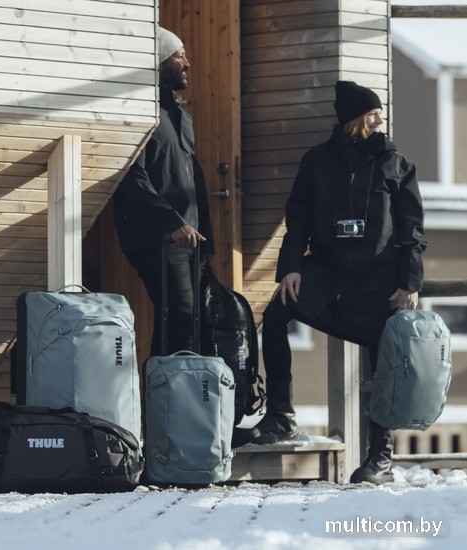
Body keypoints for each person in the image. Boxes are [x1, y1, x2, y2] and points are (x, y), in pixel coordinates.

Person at [250, 81, 427, 484]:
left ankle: (380, 457)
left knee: (383, 354)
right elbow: (298, 219)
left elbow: (412, 229)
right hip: (326, 271)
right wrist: (290, 267)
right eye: (372, 113)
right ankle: (280, 415)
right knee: (275, 315)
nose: (380, 120)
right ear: (353, 118)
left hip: (378, 278)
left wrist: (410, 280)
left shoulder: (396, 163)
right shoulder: (316, 161)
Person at [113, 27, 215, 356]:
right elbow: (131, 177)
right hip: (156, 235)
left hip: (188, 236)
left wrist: (207, 241)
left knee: (186, 320)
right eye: (179, 55)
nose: (187, 63)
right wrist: (172, 223)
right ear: (158, 63)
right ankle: (166, 389)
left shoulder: (181, 115)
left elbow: (195, 179)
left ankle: (169, 386)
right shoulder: (143, 113)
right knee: (180, 317)